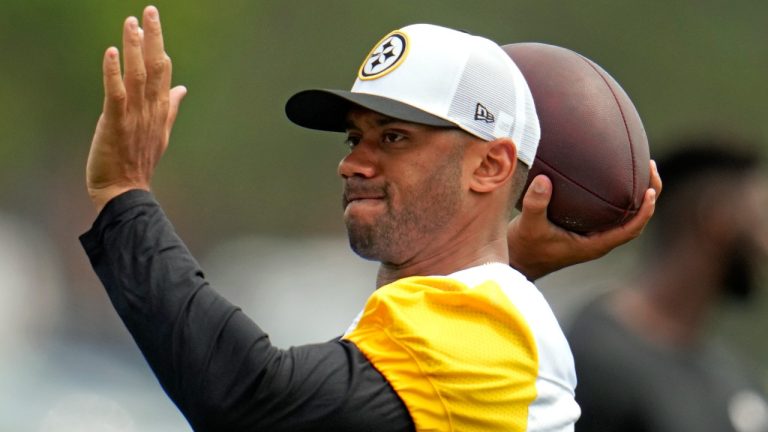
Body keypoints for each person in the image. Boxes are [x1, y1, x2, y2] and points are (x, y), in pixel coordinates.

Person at [81, 6, 659, 431]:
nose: (353, 163)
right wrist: (515, 258)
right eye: (354, 137)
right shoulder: (471, 320)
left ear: (490, 165)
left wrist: (123, 193)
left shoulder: (483, 323)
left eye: (394, 137)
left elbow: (248, 398)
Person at [568, 137, 768, 432]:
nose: (764, 244)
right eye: (760, 217)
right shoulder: (594, 357)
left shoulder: (738, 381)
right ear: (717, 218)